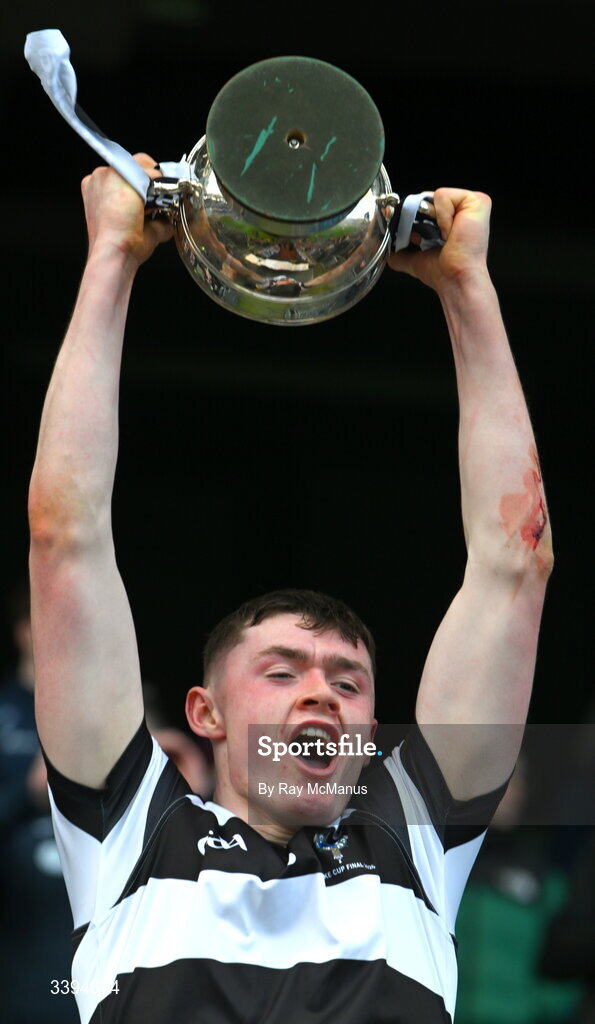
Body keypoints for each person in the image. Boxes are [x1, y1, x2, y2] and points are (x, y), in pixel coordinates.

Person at [27, 154, 553, 1024]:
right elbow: (66, 539)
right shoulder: (129, 834)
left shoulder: (410, 840)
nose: (322, 694)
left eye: (348, 682)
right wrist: (110, 259)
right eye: (282, 672)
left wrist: (468, 287)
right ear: (204, 713)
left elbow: (514, 567)